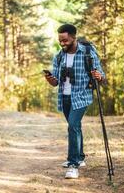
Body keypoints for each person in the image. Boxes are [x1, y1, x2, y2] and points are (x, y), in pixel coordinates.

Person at [44, 24, 105, 179]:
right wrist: (50, 79)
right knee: (75, 126)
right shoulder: (59, 56)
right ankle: (80, 157)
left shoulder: (87, 53)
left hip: (82, 96)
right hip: (65, 97)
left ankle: (73, 165)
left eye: (65, 40)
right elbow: (56, 82)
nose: (62, 43)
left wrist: (99, 76)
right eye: (60, 40)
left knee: (72, 126)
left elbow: (101, 75)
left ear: (73, 37)